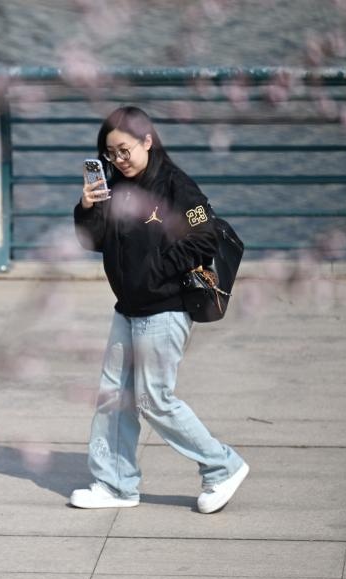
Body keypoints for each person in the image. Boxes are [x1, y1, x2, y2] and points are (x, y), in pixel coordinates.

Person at [69, 105, 249, 514]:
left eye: (125, 150)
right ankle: (115, 484)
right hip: (127, 309)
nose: (119, 160)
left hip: (163, 310)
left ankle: (222, 466)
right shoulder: (115, 186)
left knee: (154, 400)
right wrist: (88, 207)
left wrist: (156, 274)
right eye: (110, 154)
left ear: (147, 140)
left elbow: (204, 237)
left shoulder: (177, 187)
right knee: (114, 398)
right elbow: (92, 241)